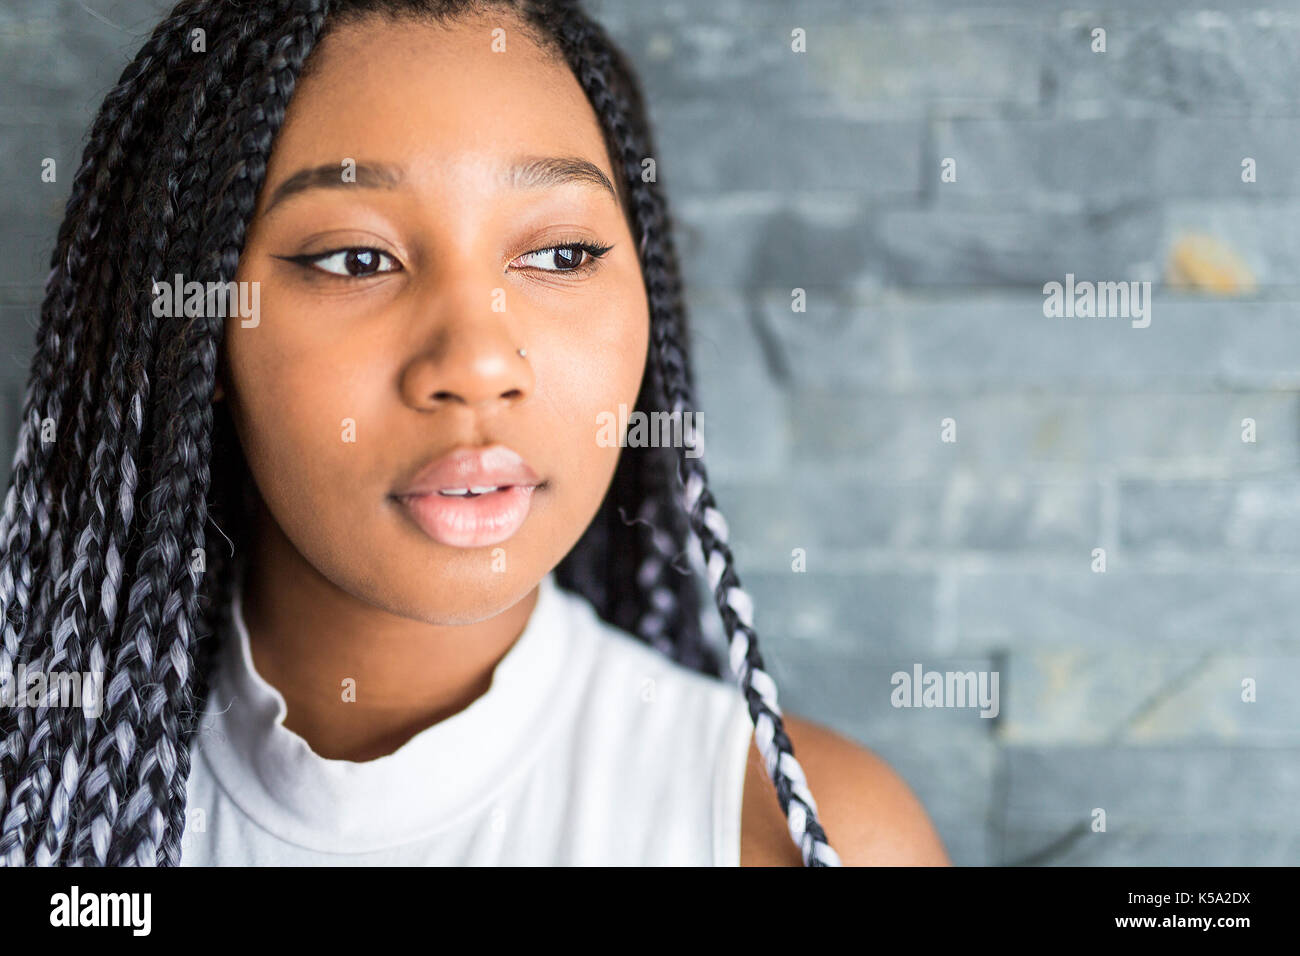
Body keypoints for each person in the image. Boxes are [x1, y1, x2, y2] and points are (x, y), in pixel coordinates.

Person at [0, 0, 950, 867]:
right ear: (195, 323)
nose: (477, 361)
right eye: (355, 258)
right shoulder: (36, 796)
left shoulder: (807, 837)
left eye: (561, 254)